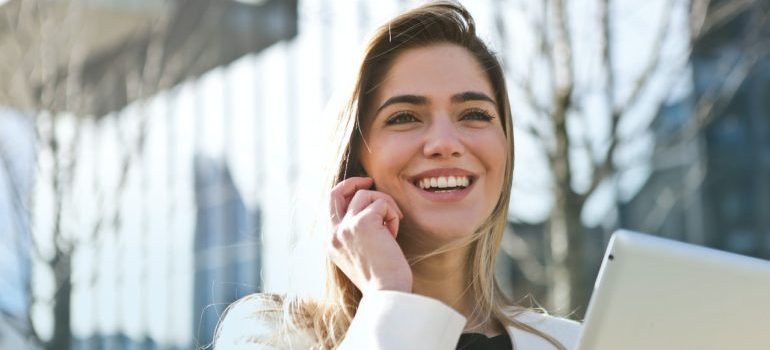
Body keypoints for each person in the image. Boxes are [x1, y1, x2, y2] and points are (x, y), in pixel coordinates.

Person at [214, 1, 581, 349]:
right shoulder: (269, 337)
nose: (445, 143)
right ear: (356, 158)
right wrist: (388, 297)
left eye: (475, 114)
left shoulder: (575, 343)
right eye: (404, 116)